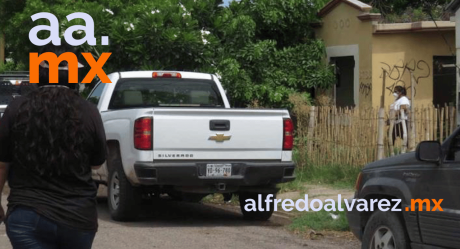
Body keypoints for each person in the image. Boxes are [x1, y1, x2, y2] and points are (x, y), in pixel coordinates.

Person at [0, 43, 107, 249]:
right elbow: (96, 164)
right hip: (77, 218)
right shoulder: (88, 111)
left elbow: (2, 164)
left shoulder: (16, 108)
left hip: (26, 216)